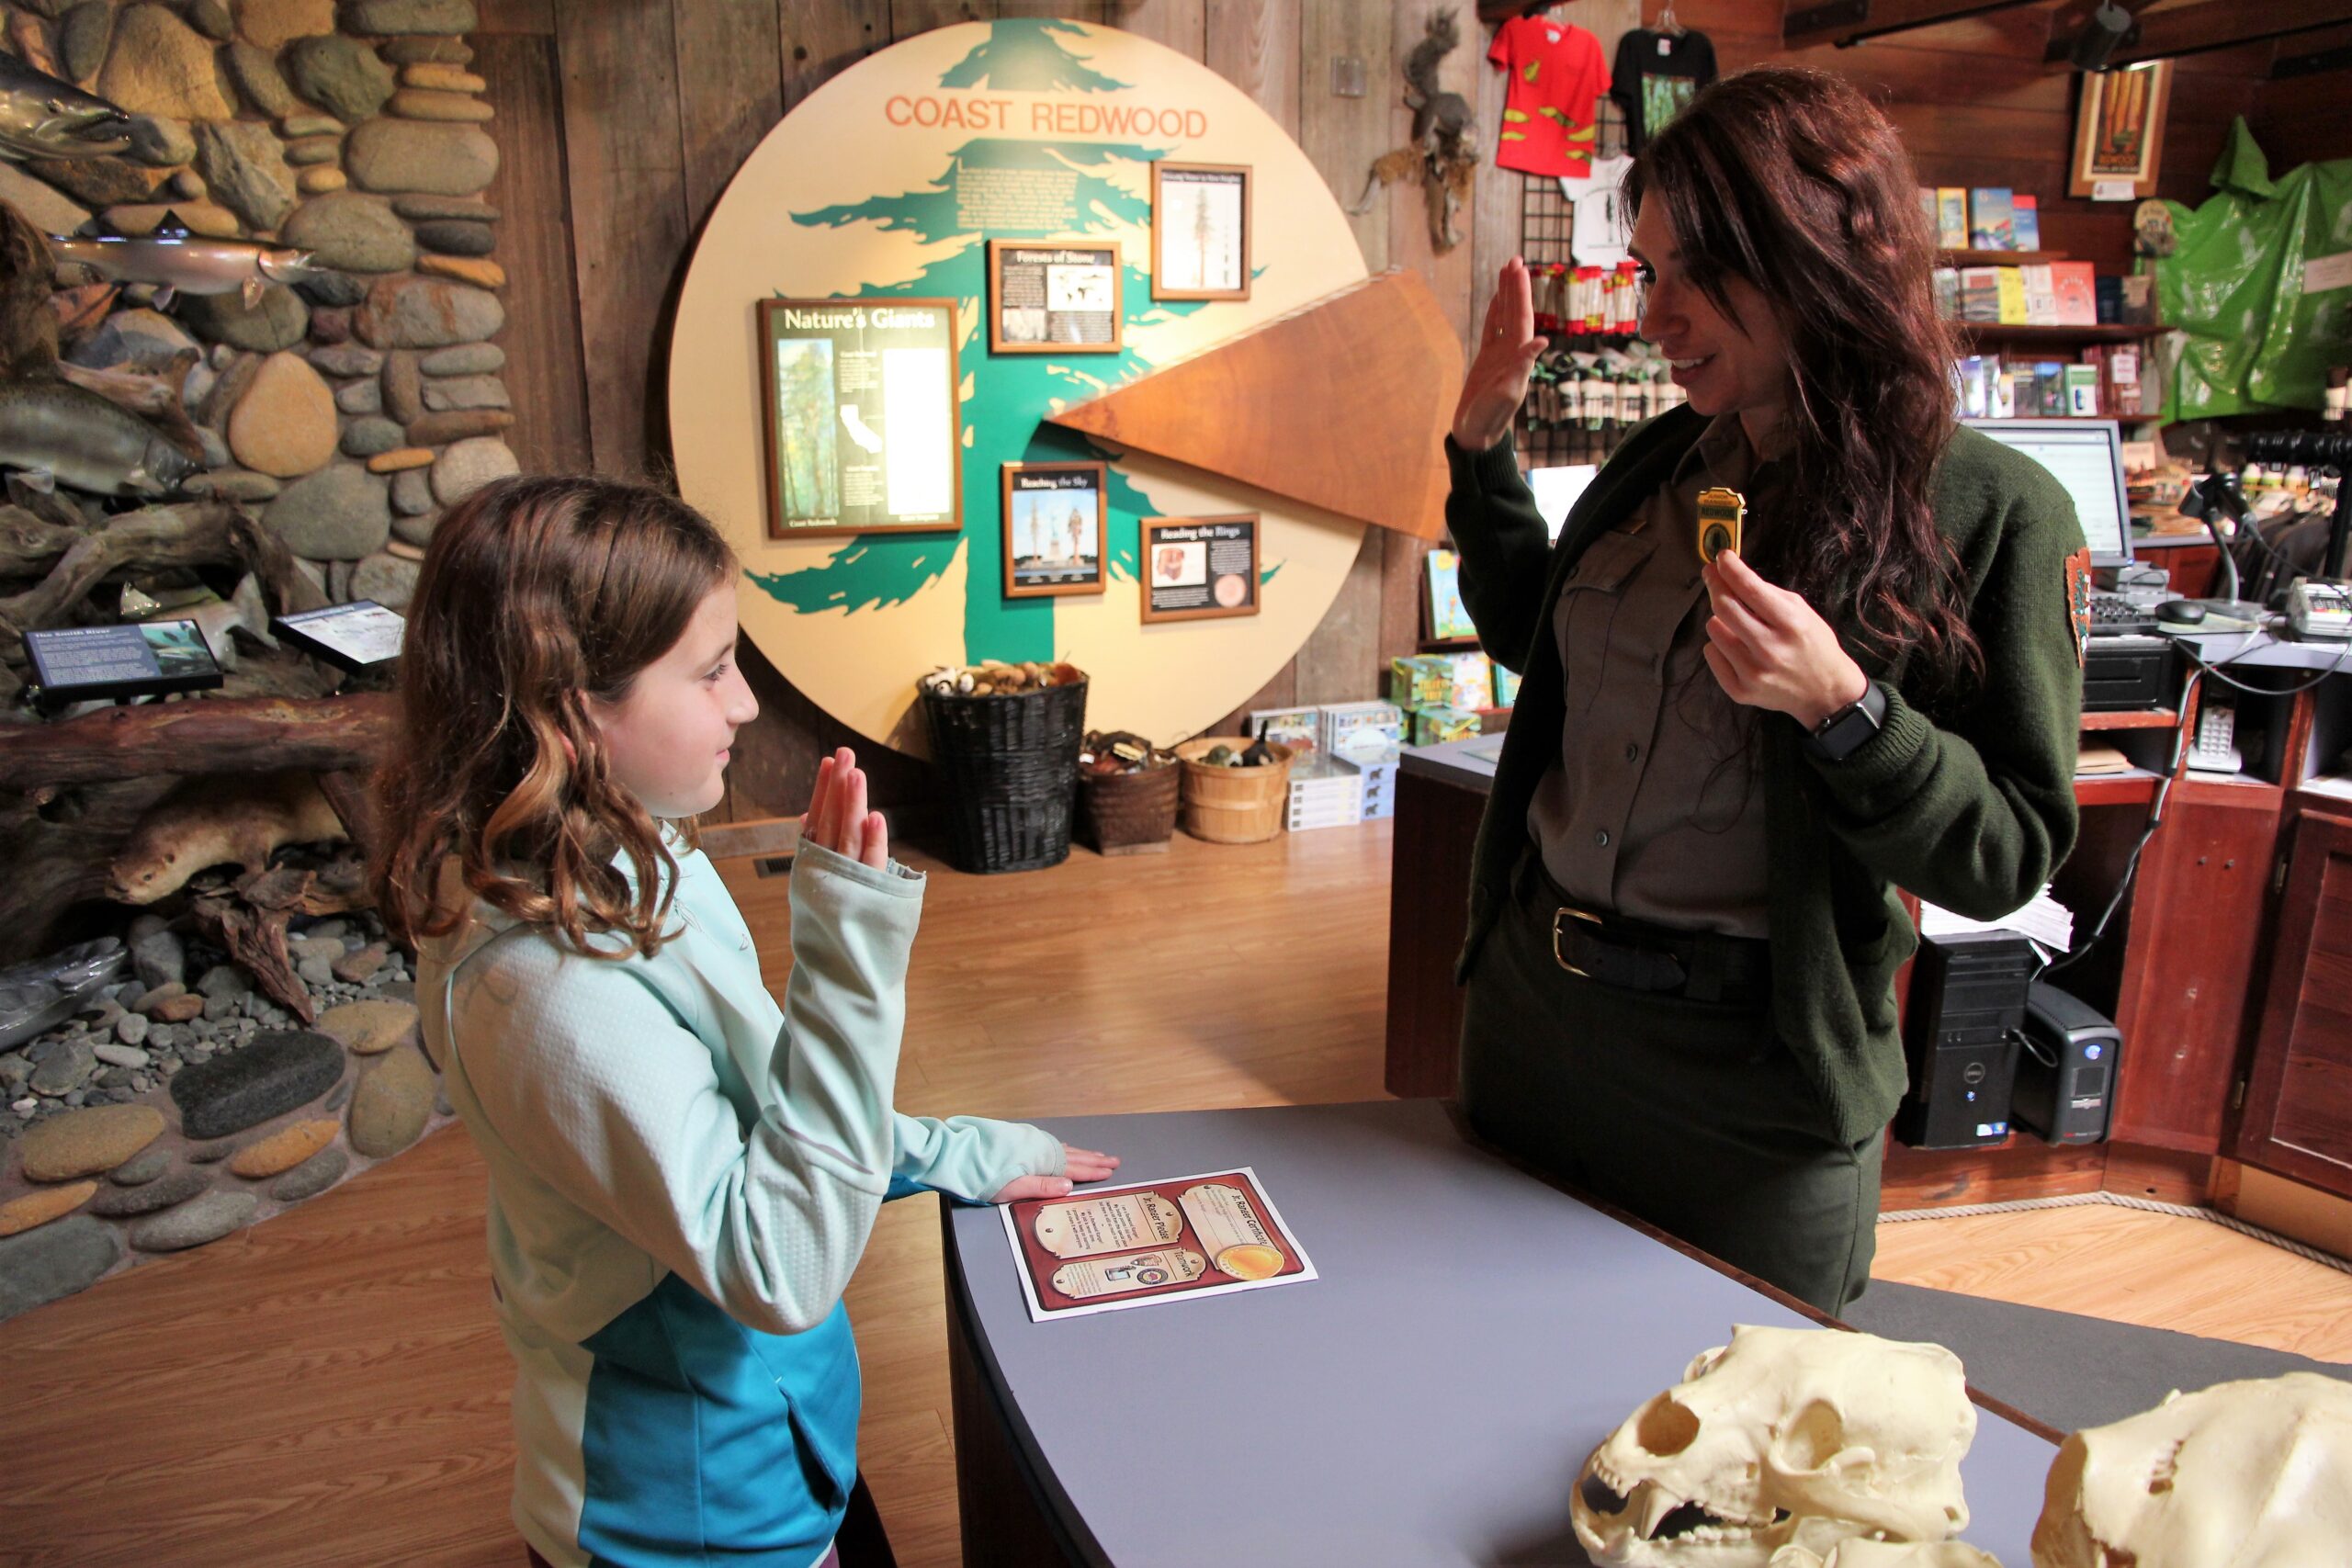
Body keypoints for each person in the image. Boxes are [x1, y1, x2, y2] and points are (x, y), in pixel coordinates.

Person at [371, 475, 1117, 1568]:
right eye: (711, 670)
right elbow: (780, 1263)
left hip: (780, 1448)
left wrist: (955, 1151)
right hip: (690, 1519)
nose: (746, 704)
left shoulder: (635, 851)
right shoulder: (538, 992)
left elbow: (765, 1102)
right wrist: (846, 958)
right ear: (574, 706)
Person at [1443, 68, 2084, 1314]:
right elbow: (1542, 638)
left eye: (1696, 272)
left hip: (1755, 1092)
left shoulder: (1995, 511)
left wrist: (1847, 711)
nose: (1656, 314)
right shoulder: (1657, 461)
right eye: (1645, 271)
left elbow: (2012, 850)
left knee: (1734, 1465)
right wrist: (1483, 454)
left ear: (1814, 253)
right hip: (1534, 1025)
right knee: (1485, 1381)